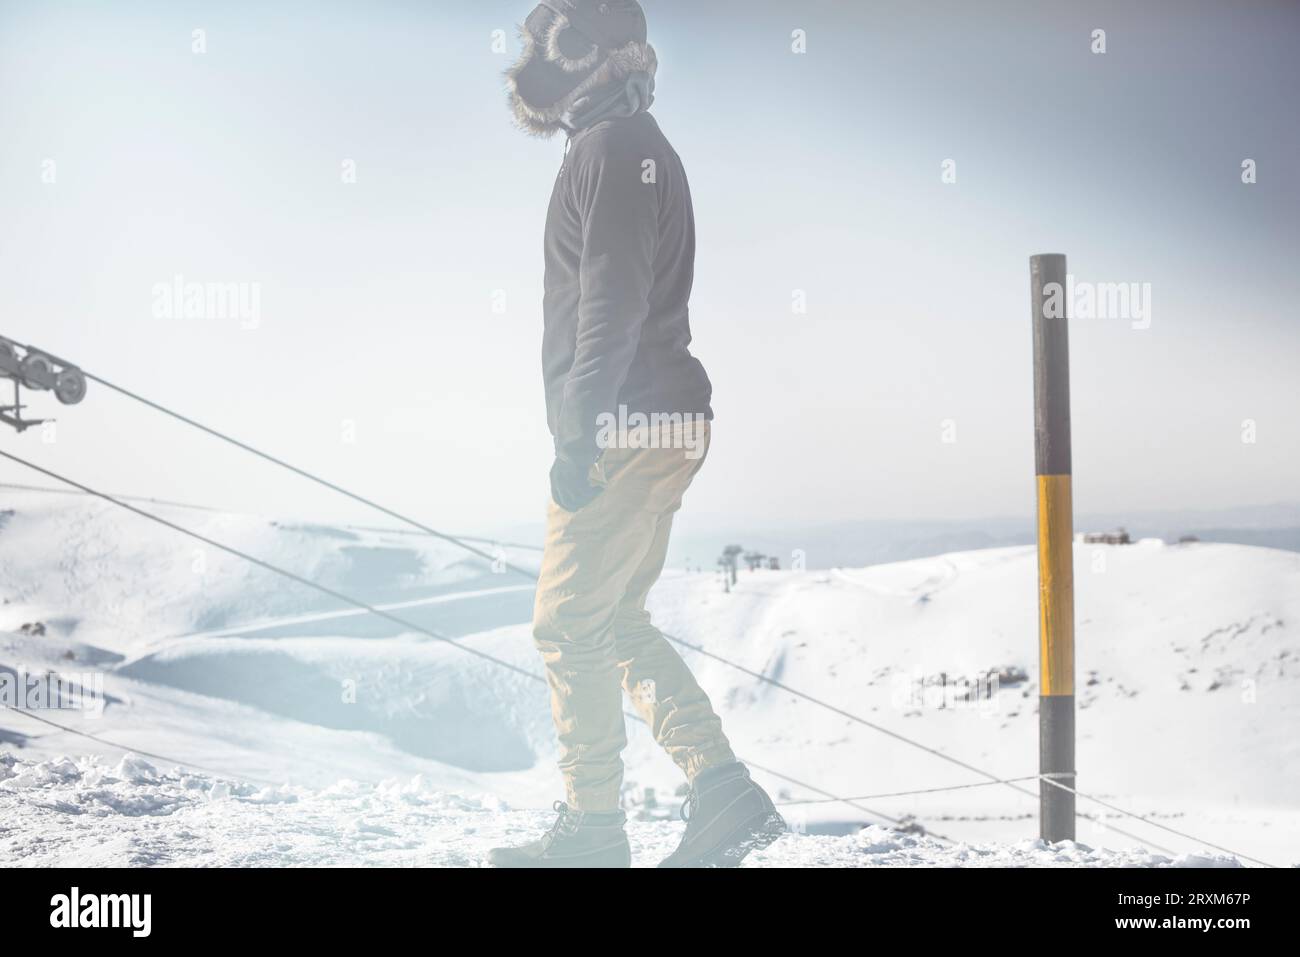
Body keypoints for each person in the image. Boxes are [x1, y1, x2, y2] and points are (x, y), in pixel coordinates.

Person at [490, 0, 785, 868]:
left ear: (589, 56)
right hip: (667, 417)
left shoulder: (612, 151)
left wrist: (577, 432)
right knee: (613, 620)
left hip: (624, 419)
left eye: (556, 45)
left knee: (565, 625)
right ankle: (722, 789)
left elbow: (610, 298)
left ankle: (592, 832)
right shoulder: (636, 145)